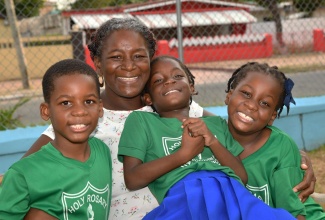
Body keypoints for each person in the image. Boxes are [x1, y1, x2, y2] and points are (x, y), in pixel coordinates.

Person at [19, 18, 315, 219]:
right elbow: (24, 172)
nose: (128, 67)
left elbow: (243, 132)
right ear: (96, 63)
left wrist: (295, 157)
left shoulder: (177, 110)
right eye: (115, 57)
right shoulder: (82, 115)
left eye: (139, 56)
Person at [118, 55, 295, 219]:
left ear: (192, 87)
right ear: (147, 98)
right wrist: (183, 155)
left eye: (178, 76)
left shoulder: (216, 124)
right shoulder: (142, 121)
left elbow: (242, 176)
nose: (170, 81)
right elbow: (132, 179)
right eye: (158, 80)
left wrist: (213, 141)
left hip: (231, 193)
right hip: (184, 197)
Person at [0, 59, 112, 219]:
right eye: (66, 103)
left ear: (100, 108)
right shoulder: (23, 175)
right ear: (46, 111)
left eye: (89, 101)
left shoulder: (102, 151)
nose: (80, 111)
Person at [224, 62, 325, 219]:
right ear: (229, 96)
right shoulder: (210, 137)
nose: (251, 106)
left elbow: (294, 214)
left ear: (272, 117)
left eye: (264, 103)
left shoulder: (280, 148)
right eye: (246, 93)